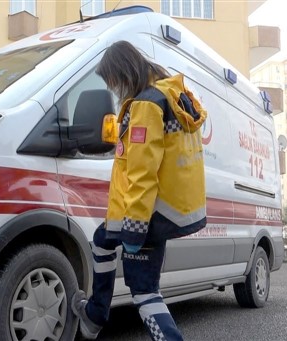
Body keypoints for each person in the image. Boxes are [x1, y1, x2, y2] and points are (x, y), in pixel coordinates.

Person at [71, 40, 208, 341]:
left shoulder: (146, 105)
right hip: (159, 209)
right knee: (101, 241)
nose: (115, 89)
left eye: (114, 82)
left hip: (147, 214)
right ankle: (95, 313)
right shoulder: (168, 95)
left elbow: (143, 173)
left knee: (145, 291)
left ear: (123, 72)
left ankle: (98, 316)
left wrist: (134, 229)